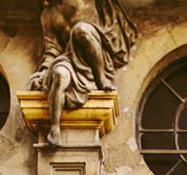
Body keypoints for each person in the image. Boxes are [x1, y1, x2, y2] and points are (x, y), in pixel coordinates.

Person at [28, 0, 137, 145]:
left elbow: (105, 31)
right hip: (68, 57)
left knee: (81, 30)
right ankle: (55, 129)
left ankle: (101, 79)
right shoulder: (48, 14)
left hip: (94, 58)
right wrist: (43, 72)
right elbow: (52, 50)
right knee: (60, 75)